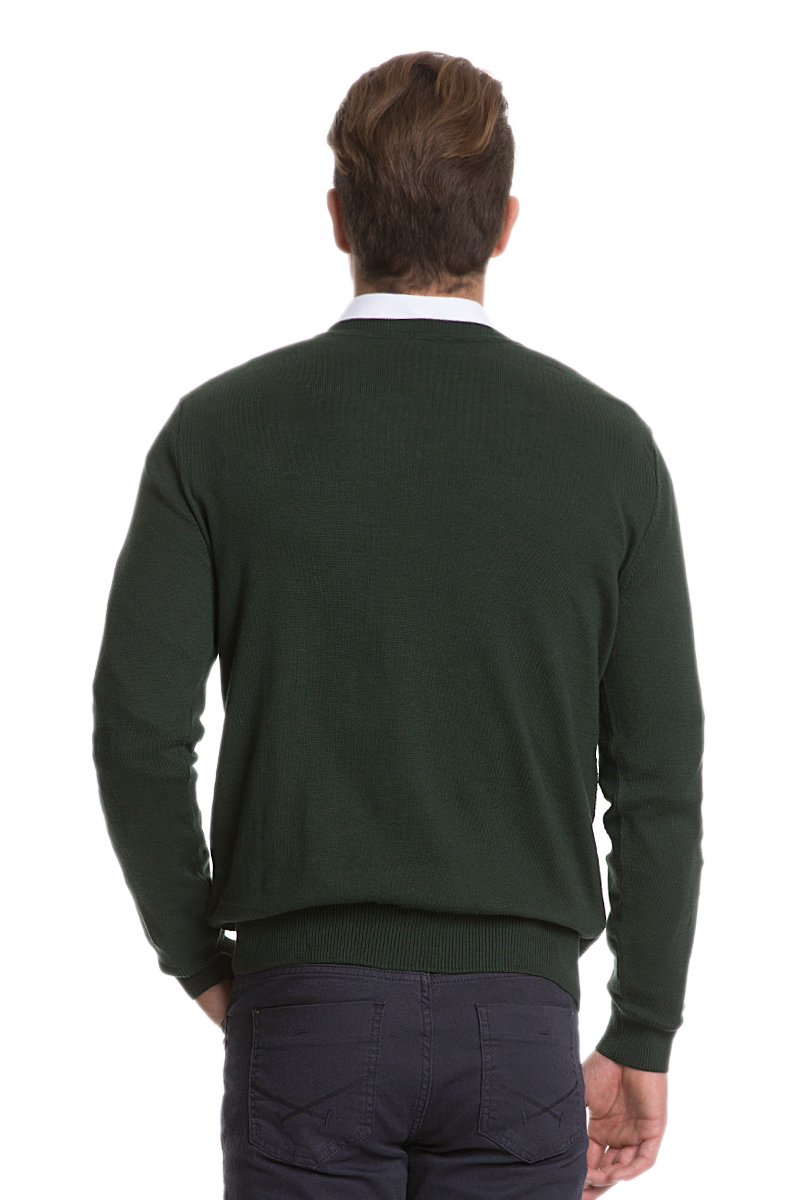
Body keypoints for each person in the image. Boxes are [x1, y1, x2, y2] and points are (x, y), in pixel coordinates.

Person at [92, 50, 704, 1199]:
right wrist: (642, 1027)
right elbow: (657, 775)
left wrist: (202, 961)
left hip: (304, 1015)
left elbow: (137, 732)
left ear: (338, 217)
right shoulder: (607, 451)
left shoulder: (217, 434)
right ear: (505, 224)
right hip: (517, 1030)